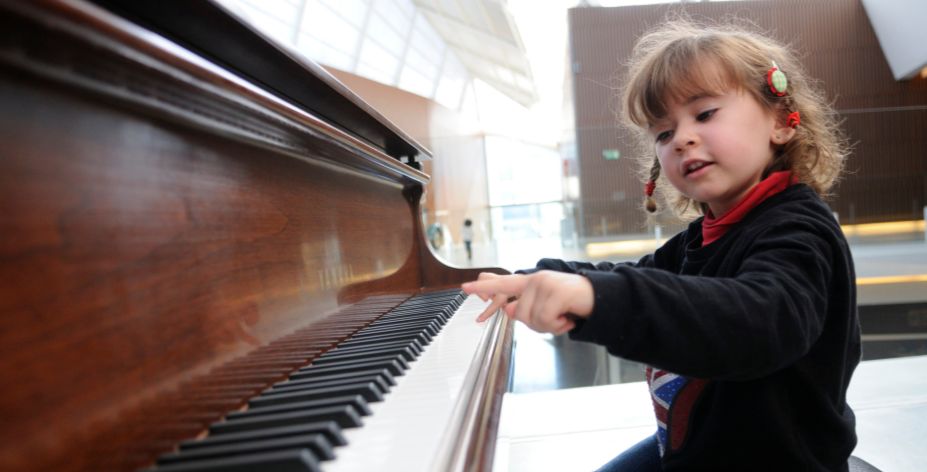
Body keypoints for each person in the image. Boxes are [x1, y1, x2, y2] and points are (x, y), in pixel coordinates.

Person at [463, 18, 859, 471]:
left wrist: (597, 299)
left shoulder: (800, 229)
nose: (682, 138)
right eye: (664, 133)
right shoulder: (705, 234)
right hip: (697, 452)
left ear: (781, 122)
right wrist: (541, 277)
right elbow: (642, 276)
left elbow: (759, 320)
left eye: (705, 113)